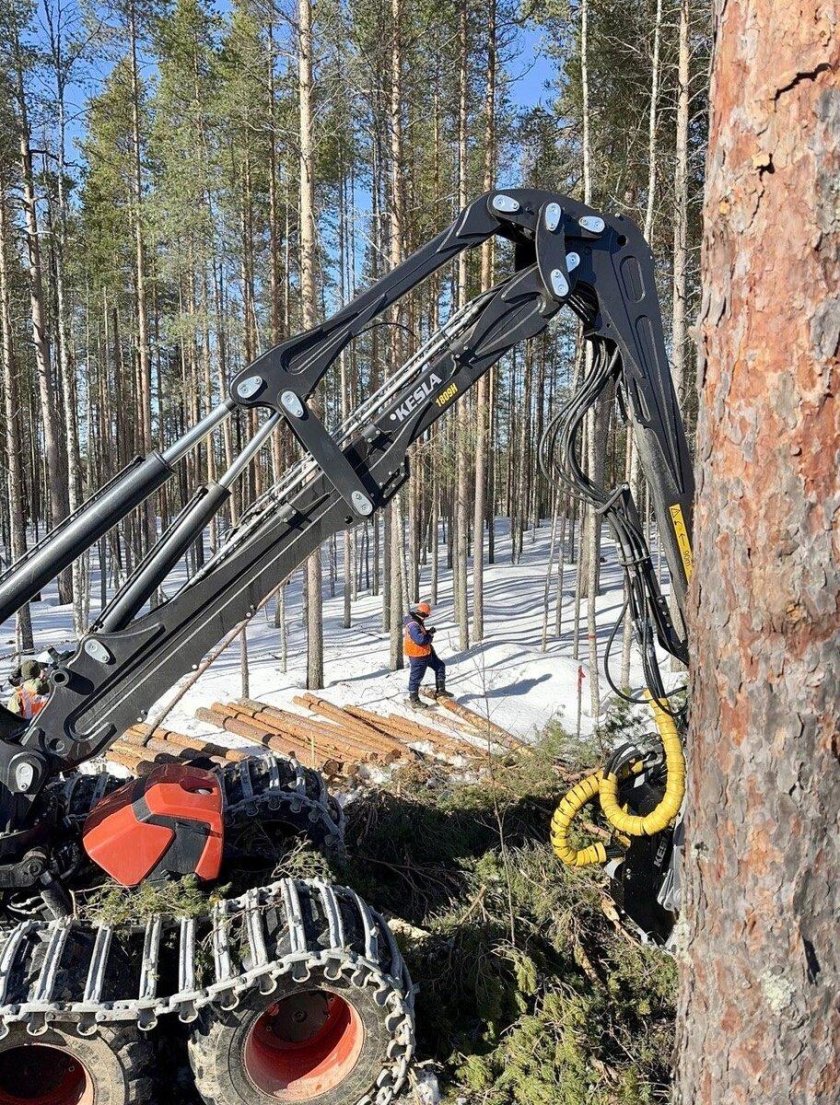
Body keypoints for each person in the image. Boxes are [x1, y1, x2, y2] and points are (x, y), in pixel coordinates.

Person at [403, 601, 454, 708]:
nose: (427, 617)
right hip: (417, 655)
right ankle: (414, 700)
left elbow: (420, 634)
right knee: (416, 678)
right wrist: (430, 636)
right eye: (427, 615)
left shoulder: (417, 620)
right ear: (424, 614)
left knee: (440, 666)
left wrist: (428, 631)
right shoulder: (413, 624)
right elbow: (420, 640)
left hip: (426, 653)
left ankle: (441, 690)